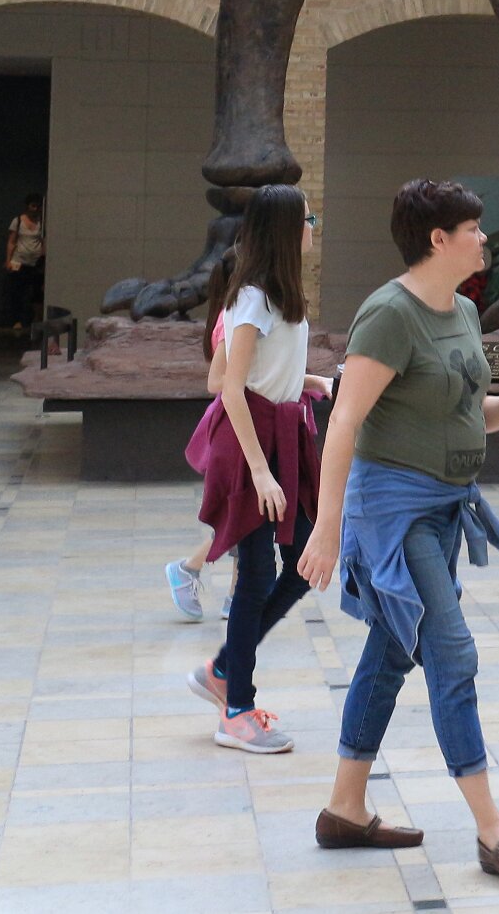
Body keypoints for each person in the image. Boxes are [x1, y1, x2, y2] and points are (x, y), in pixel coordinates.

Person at [297, 179, 499, 872]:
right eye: (473, 229)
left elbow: (473, 414)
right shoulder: (387, 316)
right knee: (451, 653)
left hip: (446, 508)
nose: (484, 238)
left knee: (394, 650)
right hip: (395, 514)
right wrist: (328, 527)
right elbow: (344, 421)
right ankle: (492, 829)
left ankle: (345, 808)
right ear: (437, 239)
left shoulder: (464, 311)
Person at [183, 189, 330, 752]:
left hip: (283, 436)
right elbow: (229, 388)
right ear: (287, 229)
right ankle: (236, 712)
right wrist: (261, 472)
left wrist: (311, 382)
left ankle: (224, 670)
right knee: (257, 575)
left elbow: (254, 373)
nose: (313, 226)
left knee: (301, 565)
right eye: (308, 218)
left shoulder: (280, 296)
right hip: (251, 445)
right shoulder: (252, 298)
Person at [167, 247, 239, 623]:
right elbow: (218, 380)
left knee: (244, 516)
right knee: (243, 516)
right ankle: (190, 570)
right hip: (235, 427)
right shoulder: (233, 318)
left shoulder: (235, 314)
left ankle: (227, 592)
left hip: (240, 424)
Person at [5, 194, 47, 328]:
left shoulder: (42, 222)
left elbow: (44, 241)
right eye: (33, 206)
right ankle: (17, 320)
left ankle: (36, 318)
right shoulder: (18, 221)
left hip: (36, 263)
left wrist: (44, 259)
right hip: (19, 261)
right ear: (27, 206)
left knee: (36, 292)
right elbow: (11, 242)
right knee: (18, 292)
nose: (35, 209)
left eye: (38, 206)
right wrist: (8, 260)